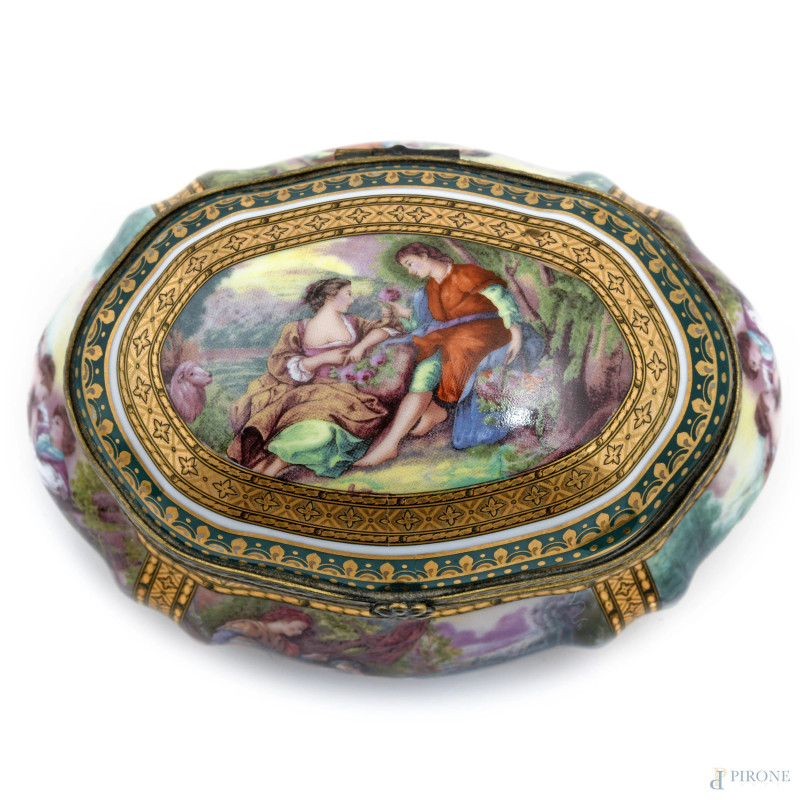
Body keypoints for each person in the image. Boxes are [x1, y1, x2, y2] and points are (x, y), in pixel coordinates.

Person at [356, 243, 522, 466]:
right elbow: (423, 322)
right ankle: (392, 443)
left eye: (410, 264)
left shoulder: (467, 273)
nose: (410, 271)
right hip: (449, 335)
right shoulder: (429, 289)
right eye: (407, 267)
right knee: (427, 363)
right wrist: (399, 312)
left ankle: (436, 409)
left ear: (424, 255)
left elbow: (501, 298)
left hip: (486, 330)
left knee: (452, 348)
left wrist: (515, 328)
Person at [228, 278, 401, 477]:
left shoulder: (354, 323)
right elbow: (280, 364)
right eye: (348, 294)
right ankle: (268, 465)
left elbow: (386, 330)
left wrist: (361, 346)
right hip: (305, 393)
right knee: (298, 421)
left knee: (323, 431)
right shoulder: (296, 329)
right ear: (329, 297)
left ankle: (275, 466)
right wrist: (323, 359)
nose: (352, 300)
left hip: (345, 395)